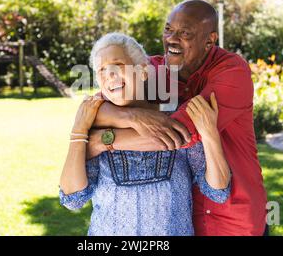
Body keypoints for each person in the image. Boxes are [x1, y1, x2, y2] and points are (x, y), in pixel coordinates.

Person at [87, 0, 268, 236]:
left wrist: (103, 142)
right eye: (168, 29)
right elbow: (95, 106)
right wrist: (132, 116)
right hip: (182, 220)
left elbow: (178, 134)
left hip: (233, 218)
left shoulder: (231, 71)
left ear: (210, 40)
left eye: (185, 33)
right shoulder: (154, 69)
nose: (172, 39)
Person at [59, 33, 231, 236]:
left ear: (142, 72)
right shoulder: (94, 125)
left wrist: (210, 134)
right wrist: (79, 131)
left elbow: (218, 192)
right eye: (101, 70)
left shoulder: (176, 118)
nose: (109, 74)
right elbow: (72, 198)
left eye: (117, 64)